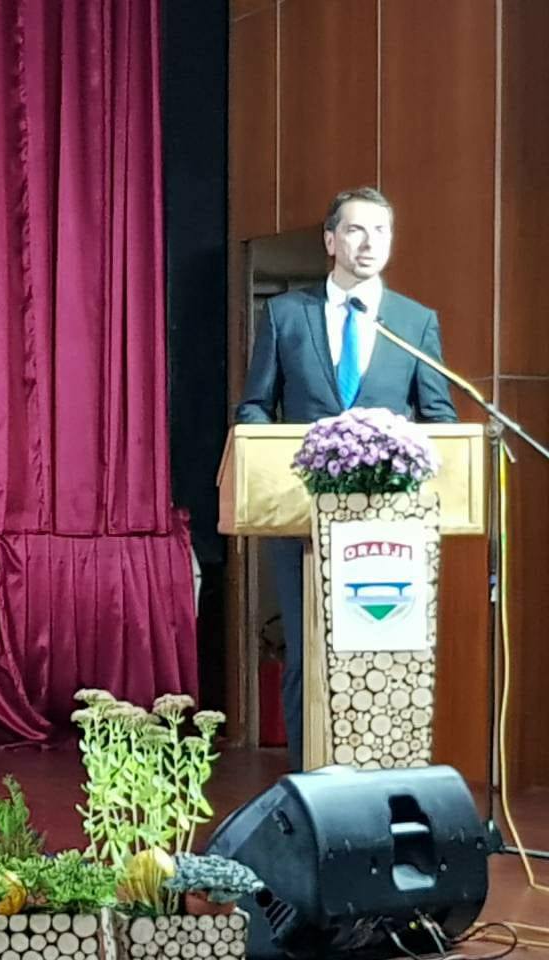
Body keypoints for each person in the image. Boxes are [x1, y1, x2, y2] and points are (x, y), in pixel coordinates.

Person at [235, 186, 458, 770]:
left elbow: (439, 418)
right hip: (303, 520)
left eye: (381, 231)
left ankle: (385, 783)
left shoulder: (413, 322)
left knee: (387, 655)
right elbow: (255, 406)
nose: (369, 243)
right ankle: (309, 784)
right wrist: (272, 450)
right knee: (308, 656)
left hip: (392, 526)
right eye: (356, 230)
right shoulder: (287, 315)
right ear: (331, 240)